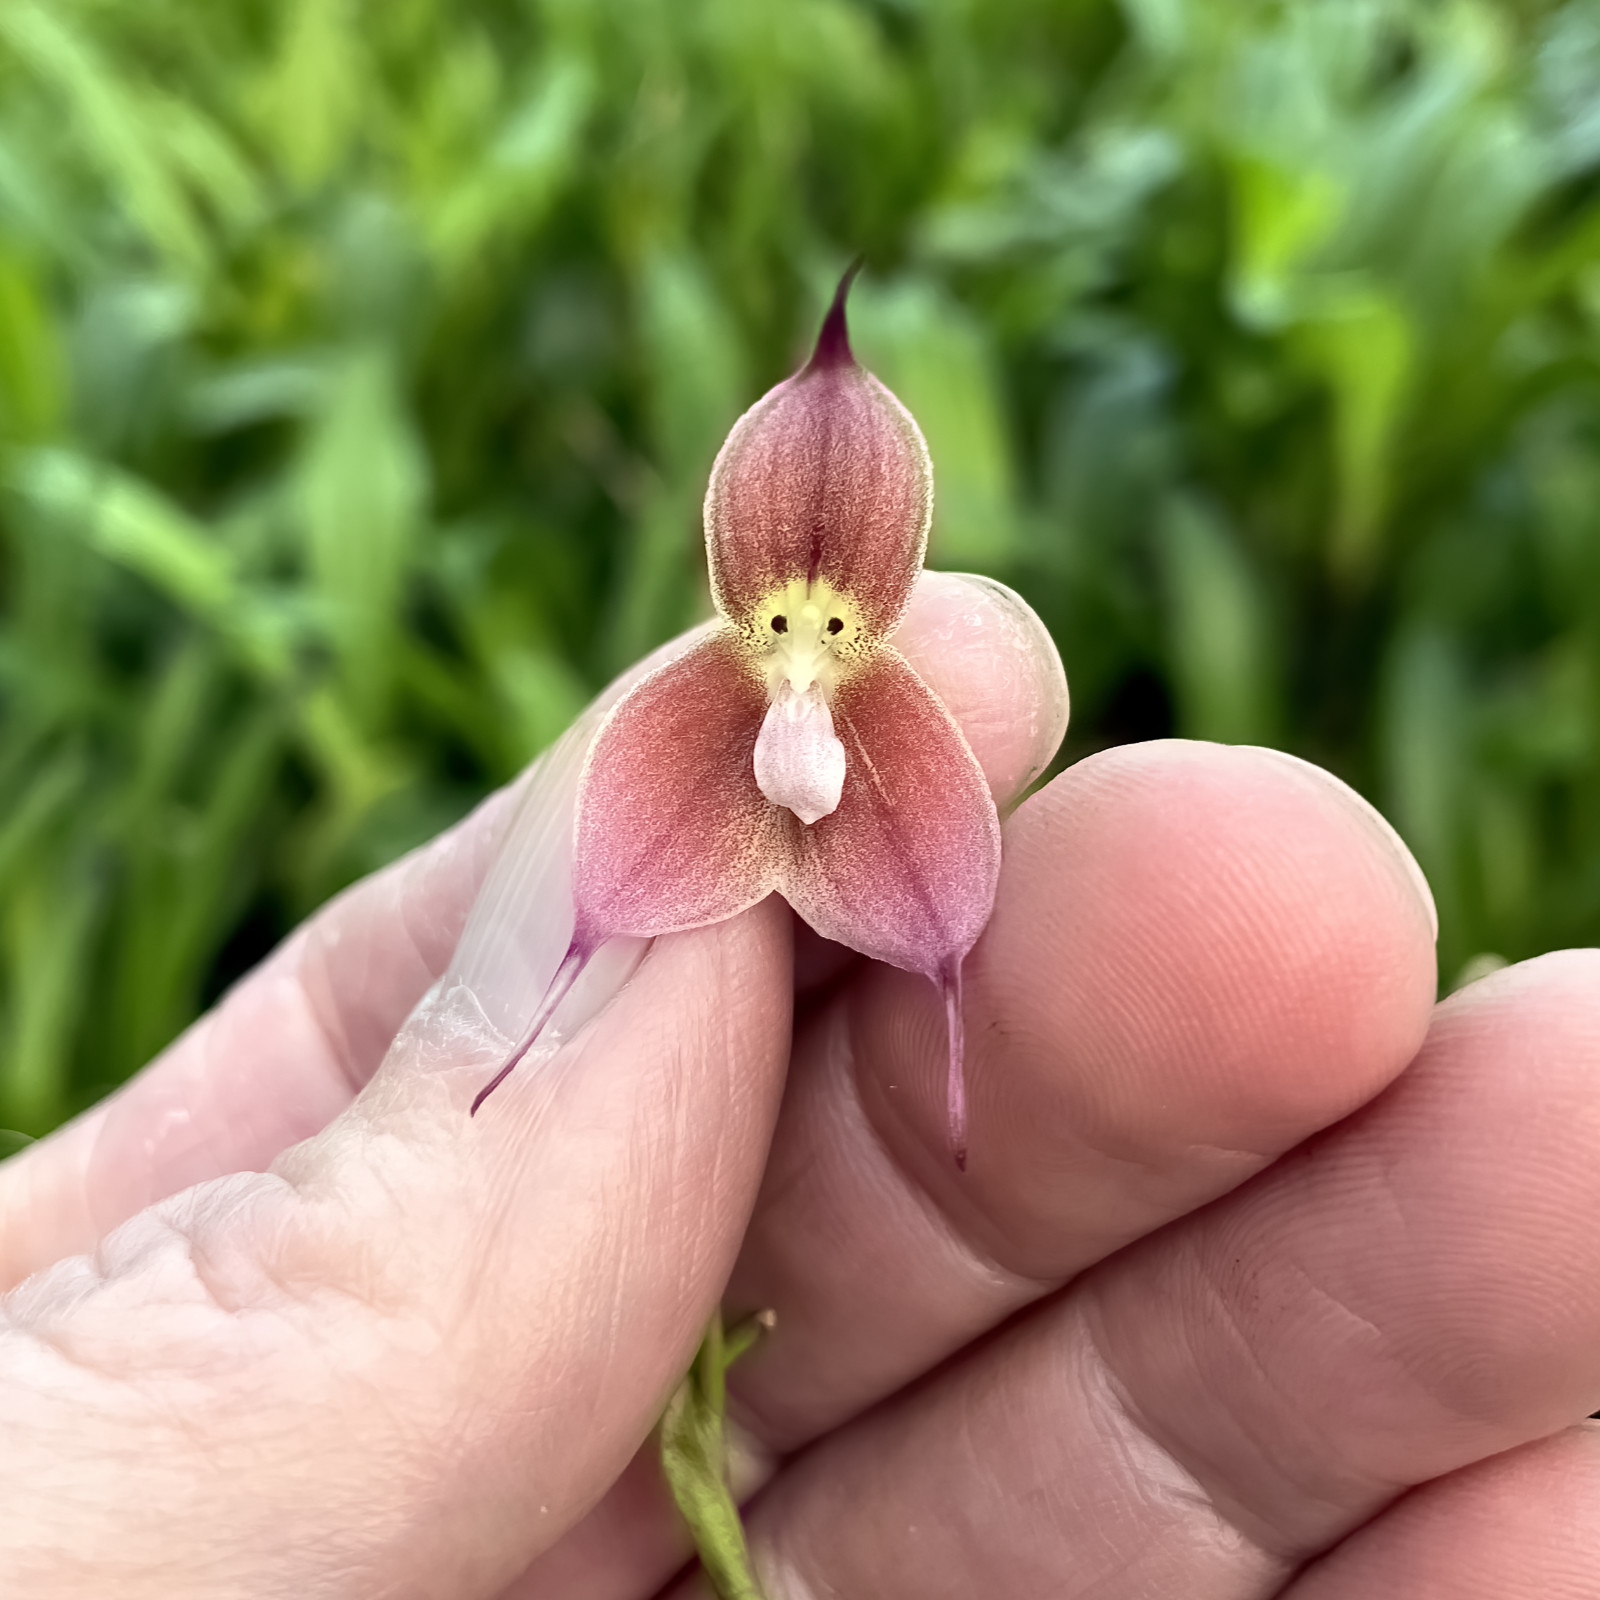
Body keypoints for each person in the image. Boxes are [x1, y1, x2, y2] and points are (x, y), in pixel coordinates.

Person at [0, 571, 1594, 1600]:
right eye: (781, 629)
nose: (804, 655)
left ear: (865, 624)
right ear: (742, 615)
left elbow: (924, 892)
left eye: (831, 633)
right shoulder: (722, 697)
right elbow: (625, 874)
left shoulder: (866, 697)